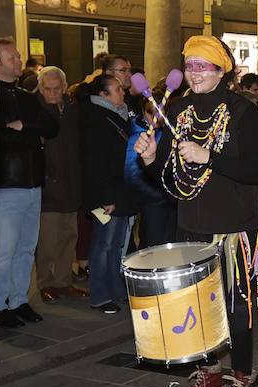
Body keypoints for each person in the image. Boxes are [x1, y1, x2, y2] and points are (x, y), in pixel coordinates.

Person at [135, 35, 258, 387]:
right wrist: (152, 158)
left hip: (233, 226)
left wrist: (210, 155)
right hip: (191, 222)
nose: (194, 73)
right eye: (189, 65)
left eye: (202, 66)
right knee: (193, 304)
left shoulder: (243, 111)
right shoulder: (177, 111)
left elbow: (254, 171)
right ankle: (207, 370)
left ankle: (241, 375)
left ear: (221, 70)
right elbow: (172, 175)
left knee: (236, 305)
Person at [0, 37, 56, 328]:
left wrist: (25, 126)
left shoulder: (25, 96)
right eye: (12, 58)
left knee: (26, 247)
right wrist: (27, 134)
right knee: (3, 249)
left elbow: (51, 125)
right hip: (4, 183)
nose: (19, 61)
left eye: (18, 56)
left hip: (32, 181)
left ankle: (19, 300)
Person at [79, 71, 138, 314]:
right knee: (103, 244)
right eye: (116, 89)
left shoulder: (118, 115)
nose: (122, 92)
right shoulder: (96, 118)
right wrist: (106, 197)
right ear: (102, 94)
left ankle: (116, 290)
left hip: (121, 190)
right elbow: (97, 162)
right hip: (106, 193)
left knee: (117, 245)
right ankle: (100, 295)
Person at [35, 66, 85, 301]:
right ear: (41, 88)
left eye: (57, 89)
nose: (53, 93)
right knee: (47, 241)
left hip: (71, 183)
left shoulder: (74, 111)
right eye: (48, 89)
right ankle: (46, 282)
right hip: (48, 186)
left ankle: (64, 281)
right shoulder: (37, 111)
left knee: (69, 237)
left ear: (65, 87)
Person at [126, 101, 177, 248]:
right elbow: (132, 174)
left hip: (170, 200)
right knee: (153, 245)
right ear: (143, 112)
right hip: (152, 202)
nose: (157, 117)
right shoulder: (138, 136)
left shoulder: (169, 131)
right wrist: (156, 195)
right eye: (151, 112)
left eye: (160, 112)